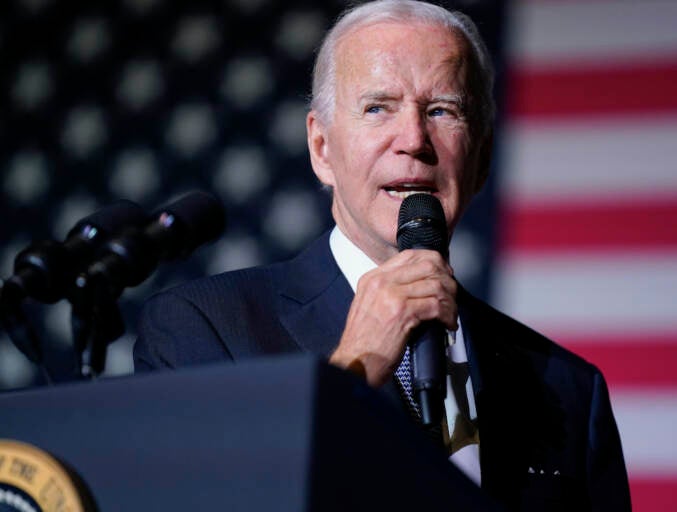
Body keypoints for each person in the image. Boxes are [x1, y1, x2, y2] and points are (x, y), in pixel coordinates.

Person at [134, 1, 631, 510]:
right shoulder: (204, 330)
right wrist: (354, 368)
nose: (413, 140)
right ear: (322, 148)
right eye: (378, 108)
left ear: (481, 161)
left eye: (442, 110)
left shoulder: (569, 389)